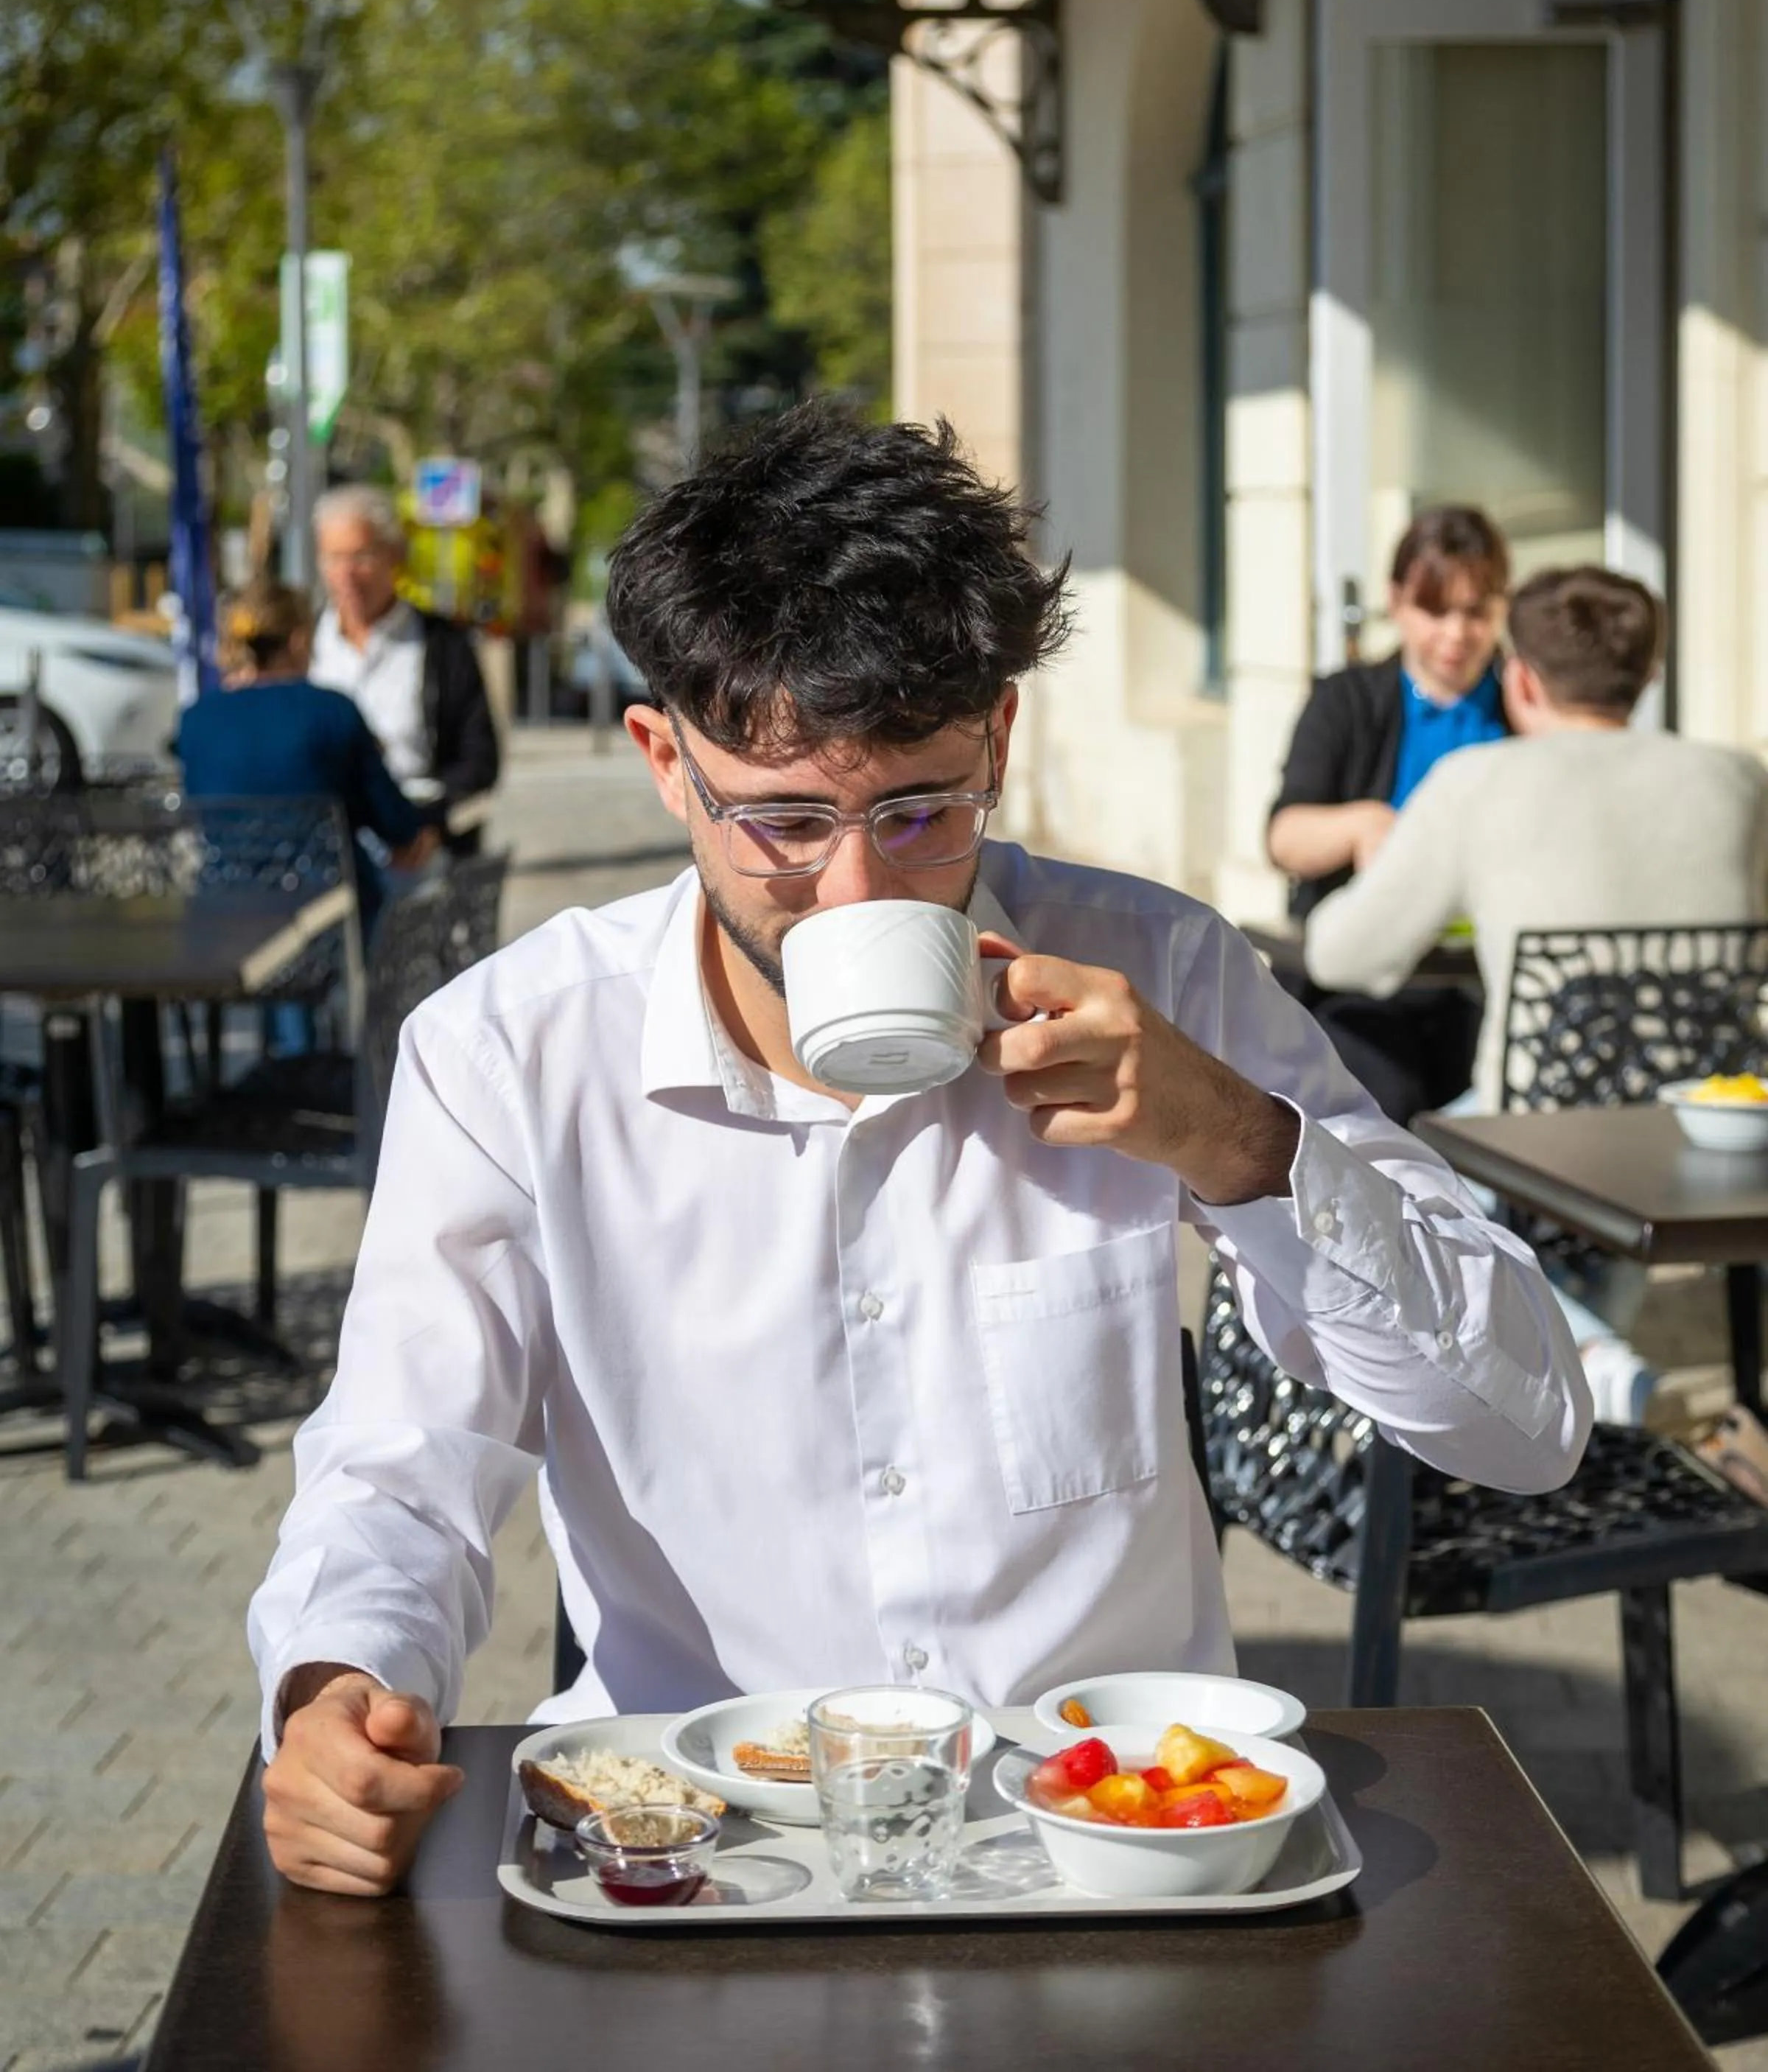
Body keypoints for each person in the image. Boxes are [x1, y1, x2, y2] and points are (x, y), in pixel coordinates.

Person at [248, 404, 1590, 1897]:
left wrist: (1235, 1139)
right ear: (662, 761)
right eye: (780, 820)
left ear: (999, 737)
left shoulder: (1165, 976)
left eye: (919, 807)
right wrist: (337, 1687)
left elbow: (1523, 1424)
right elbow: (399, 1464)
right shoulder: (511, 1054)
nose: (852, 888)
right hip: (693, 1855)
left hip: (1114, 1852)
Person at [1305, 564, 1768, 1418]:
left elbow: (1341, 953)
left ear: (1519, 676)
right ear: (1651, 675)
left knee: (1393, 1191)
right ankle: (1593, 1373)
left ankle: (1592, 1365)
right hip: (1704, 1121)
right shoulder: (1738, 780)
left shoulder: (1480, 781)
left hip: (1536, 1122)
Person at [1267, 505, 1512, 1123]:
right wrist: (1361, 824)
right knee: (1382, 1098)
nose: (1457, 635)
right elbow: (1285, 837)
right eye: (1437, 611)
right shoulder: (1347, 699)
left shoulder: (1522, 701)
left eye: (1477, 612)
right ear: (1397, 602)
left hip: (1487, 982)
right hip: (1366, 983)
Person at [178, 576, 439, 931]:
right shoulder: (331, 711)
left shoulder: (196, 720)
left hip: (226, 921)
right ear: (300, 640)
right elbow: (396, 824)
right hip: (328, 924)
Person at [307, 485, 501, 844]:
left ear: (394, 555)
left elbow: (479, 760)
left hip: (415, 838)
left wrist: (431, 828)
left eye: (360, 557)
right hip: (324, 842)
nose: (346, 574)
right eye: (334, 559)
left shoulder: (442, 644)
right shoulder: (303, 644)